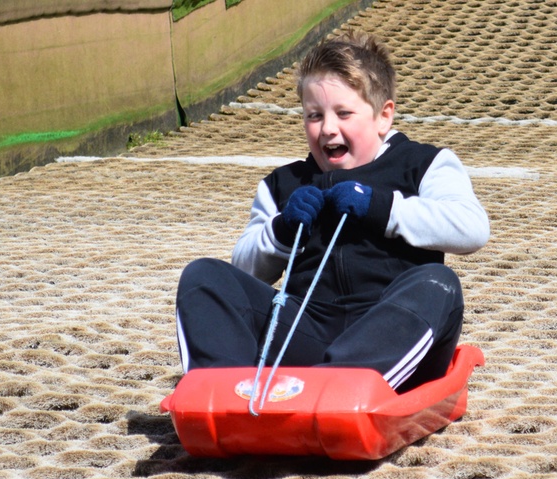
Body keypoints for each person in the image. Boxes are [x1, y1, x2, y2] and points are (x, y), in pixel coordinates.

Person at [175, 31, 489, 393]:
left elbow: (472, 229)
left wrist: (383, 209)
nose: (327, 128)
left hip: (392, 336)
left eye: (344, 113)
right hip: (306, 333)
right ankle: (222, 393)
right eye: (314, 115)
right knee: (204, 276)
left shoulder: (421, 164)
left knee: (438, 284)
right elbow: (244, 268)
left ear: (383, 116)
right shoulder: (284, 184)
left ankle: (344, 388)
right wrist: (282, 231)